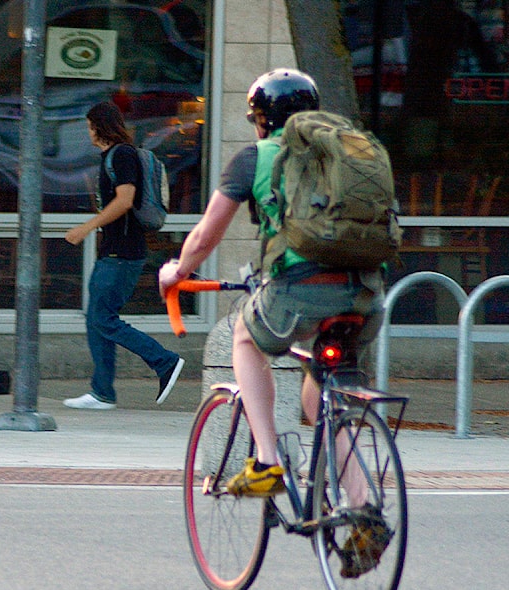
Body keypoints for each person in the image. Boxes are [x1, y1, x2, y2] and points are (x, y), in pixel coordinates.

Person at [158, 69, 386, 499]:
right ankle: (362, 508)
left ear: (262, 119)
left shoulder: (255, 157)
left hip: (298, 291)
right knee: (320, 397)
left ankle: (267, 461)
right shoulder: (350, 151)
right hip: (365, 294)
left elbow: (206, 236)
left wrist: (177, 272)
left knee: (245, 335)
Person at [63, 101, 185, 410]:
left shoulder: (123, 154)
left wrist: (86, 227)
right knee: (97, 320)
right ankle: (102, 392)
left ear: (99, 126)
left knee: (103, 319)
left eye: (90, 126)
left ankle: (165, 361)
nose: (88, 132)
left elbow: (125, 200)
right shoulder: (111, 157)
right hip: (114, 252)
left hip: (123, 253)